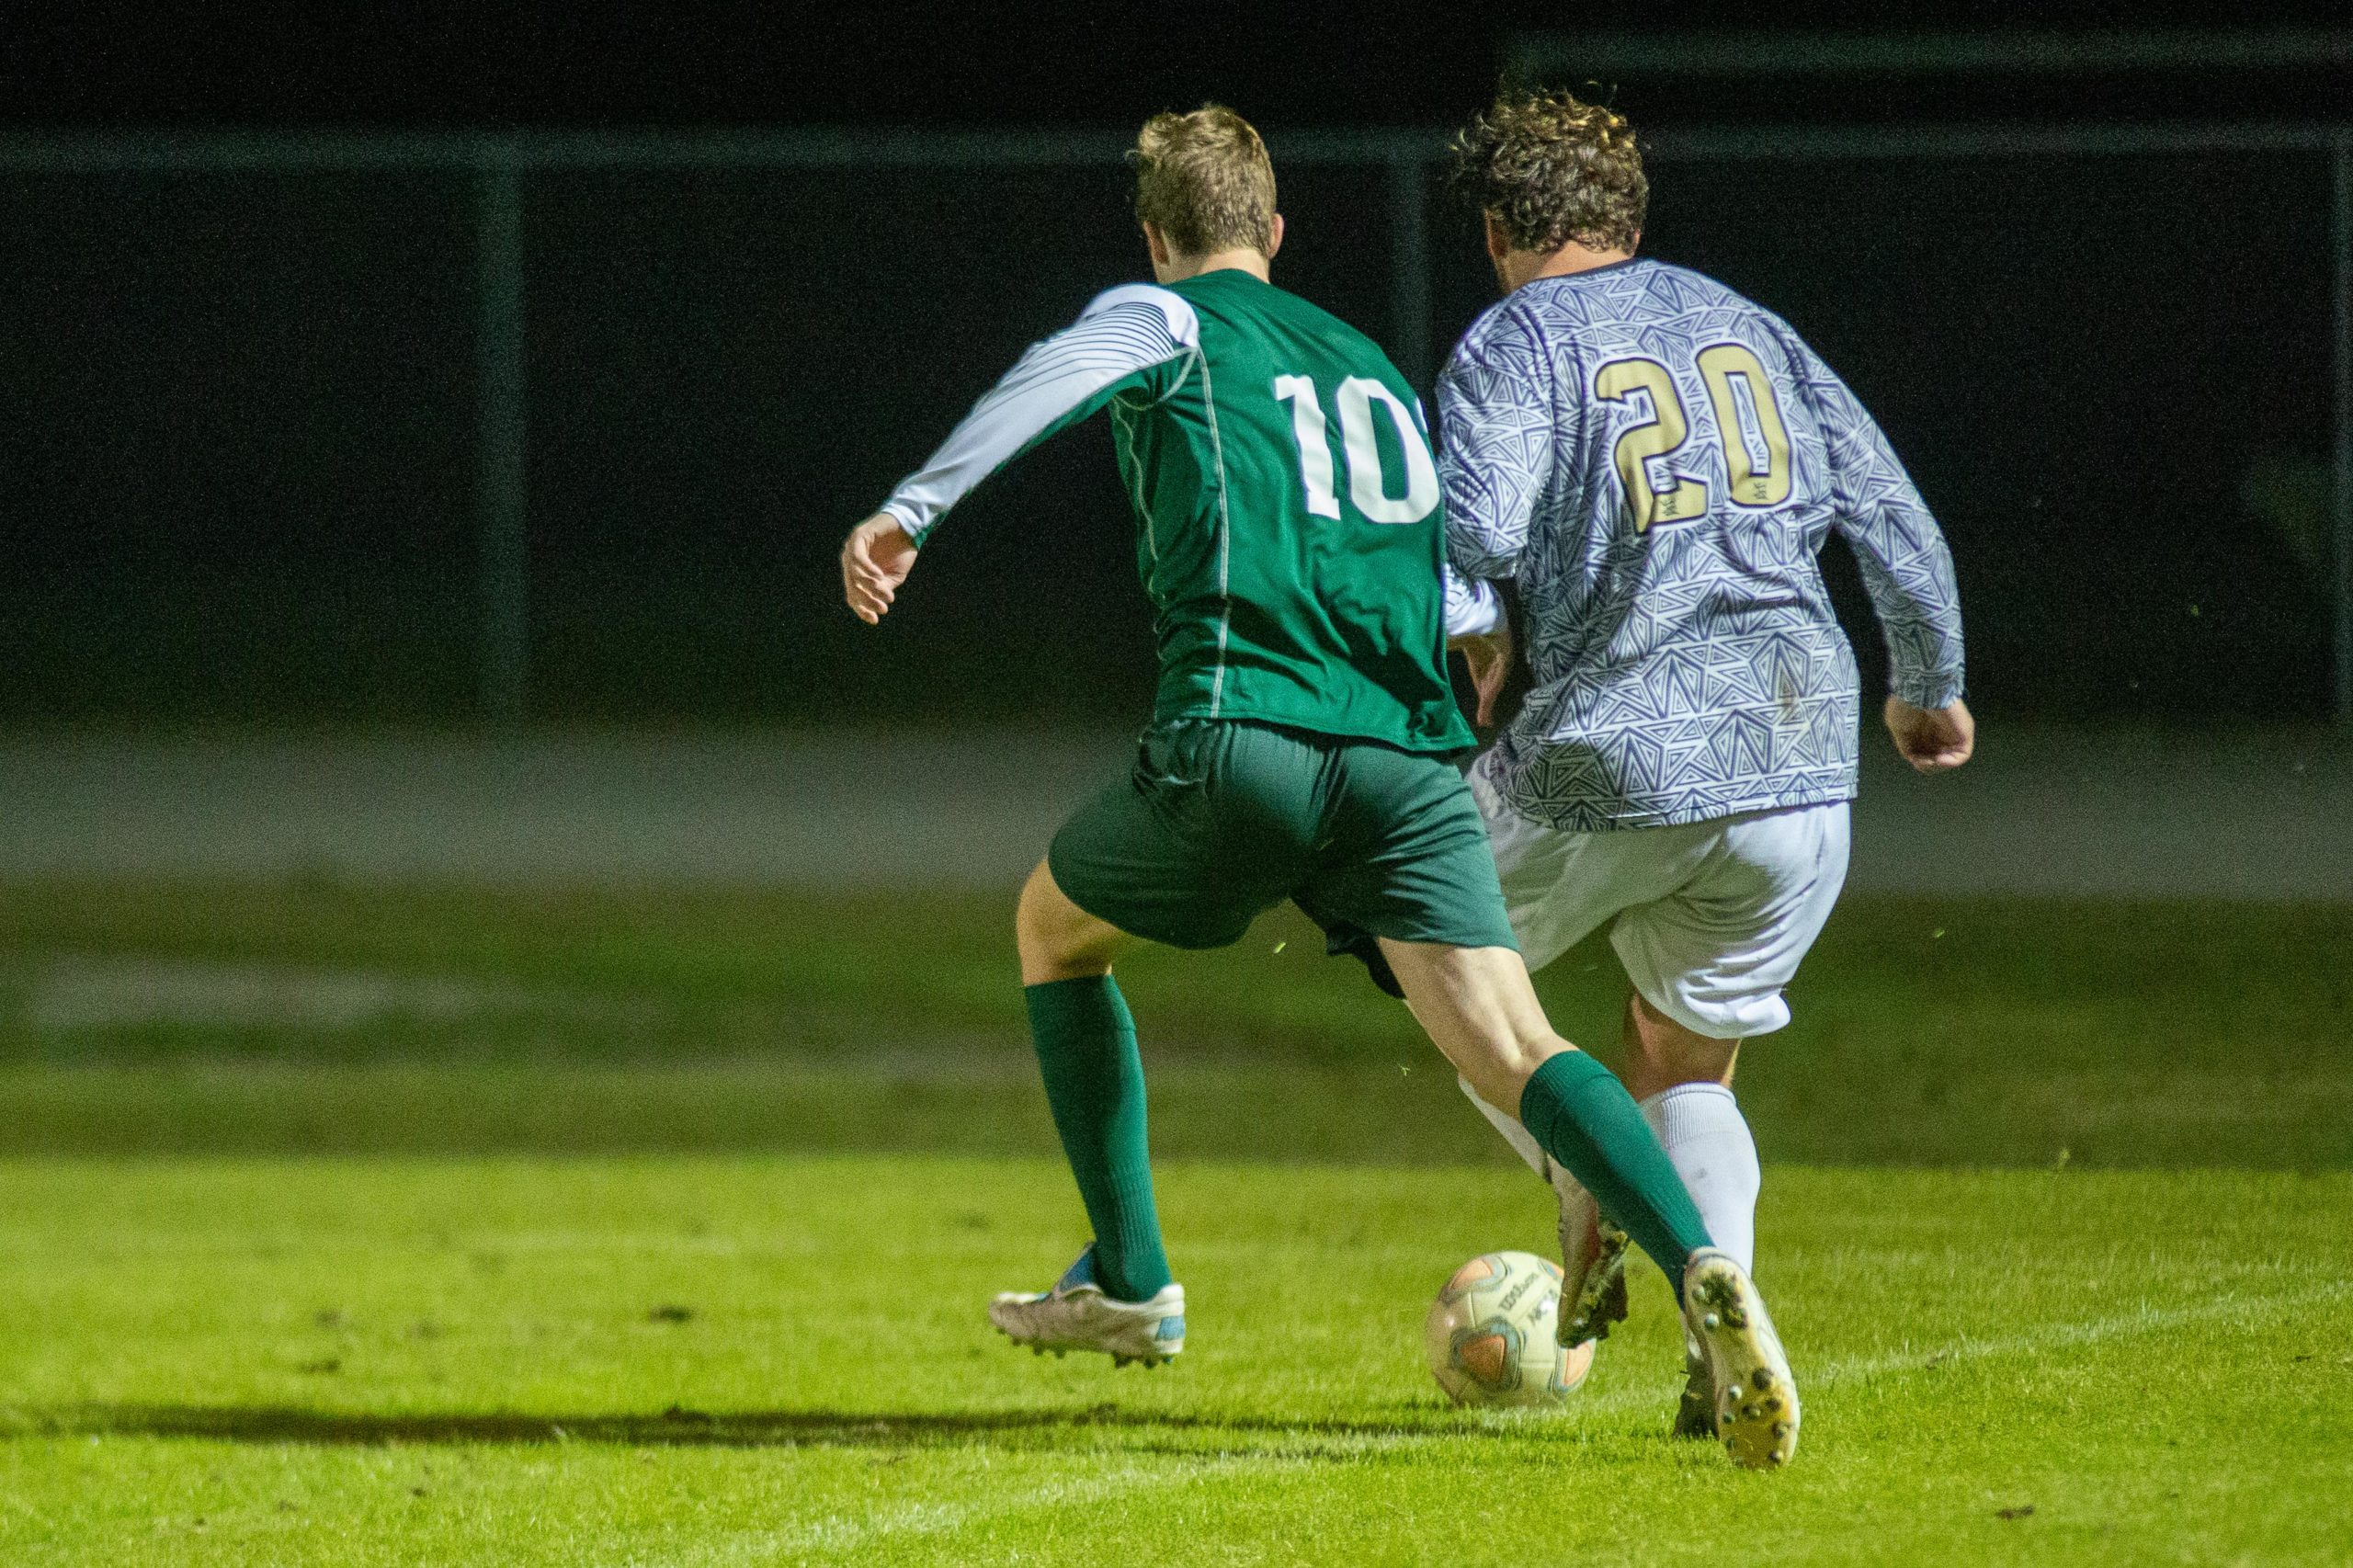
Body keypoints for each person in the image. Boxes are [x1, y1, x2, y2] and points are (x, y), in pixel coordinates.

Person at [839, 103, 1800, 1466]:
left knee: (1053, 930)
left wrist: (910, 509)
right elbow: (1441, 548)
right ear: (1276, 231)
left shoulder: (1165, 317)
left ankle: (1130, 1275)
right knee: (1522, 1046)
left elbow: (1056, 372)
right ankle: (1706, 1268)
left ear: (1160, 237)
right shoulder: (1365, 362)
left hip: (1246, 738)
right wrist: (1476, 643)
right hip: (1406, 765)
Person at [1436, 90, 1971, 1437]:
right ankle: (1713, 1293)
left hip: (1605, 754)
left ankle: (1593, 1183)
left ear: (1498, 228)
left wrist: (1477, 639)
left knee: (1430, 955)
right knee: (1687, 1060)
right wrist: (1930, 686)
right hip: (1800, 760)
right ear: (1631, 217)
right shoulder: (1752, 325)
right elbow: (1893, 513)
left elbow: (1465, 532)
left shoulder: (1512, 342)